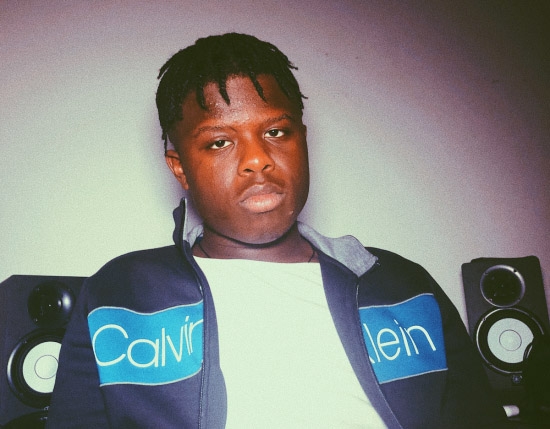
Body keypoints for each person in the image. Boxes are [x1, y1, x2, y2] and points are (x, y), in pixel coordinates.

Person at [47, 33, 510, 428]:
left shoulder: (403, 285)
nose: (257, 159)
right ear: (180, 167)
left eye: (275, 133)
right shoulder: (122, 294)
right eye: (220, 142)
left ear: (303, 140)